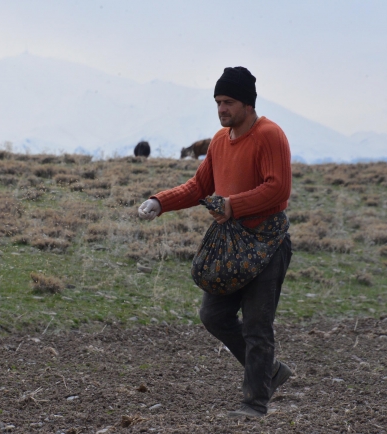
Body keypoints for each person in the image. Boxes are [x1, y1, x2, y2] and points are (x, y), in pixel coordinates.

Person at [137, 66, 293, 418]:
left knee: (257, 324)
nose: (222, 109)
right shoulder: (220, 141)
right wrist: (160, 201)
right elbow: (198, 187)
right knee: (213, 314)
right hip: (231, 244)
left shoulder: (271, 135)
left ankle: (254, 404)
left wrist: (232, 204)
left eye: (229, 102)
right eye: (218, 102)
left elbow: (278, 188)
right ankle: (270, 371)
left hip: (267, 244)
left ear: (248, 104)